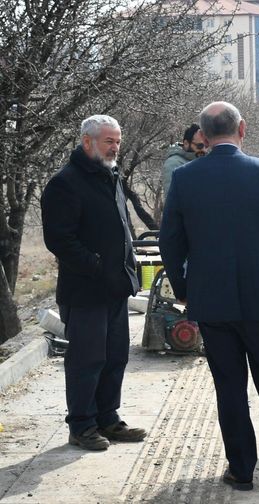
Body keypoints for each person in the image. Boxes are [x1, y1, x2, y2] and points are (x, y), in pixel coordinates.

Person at [159, 102, 259, 491]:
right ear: (242, 129)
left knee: (229, 386)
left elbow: (171, 244)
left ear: (204, 135)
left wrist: (186, 292)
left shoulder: (185, 178)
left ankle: (241, 469)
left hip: (212, 304)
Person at [41, 115, 146, 451]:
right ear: (87, 142)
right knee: (87, 359)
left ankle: (108, 418)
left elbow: (121, 228)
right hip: (86, 290)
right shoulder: (65, 182)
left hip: (115, 287)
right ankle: (82, 425)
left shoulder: (110, 175)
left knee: (116, 355)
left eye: (117, 141)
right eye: (108, 141)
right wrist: (97, 266)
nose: (115, 147)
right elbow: (59, 239)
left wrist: (127, 267)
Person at [162, 123, 205, 199]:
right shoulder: (173, 163)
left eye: (207, 145)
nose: (204, 150)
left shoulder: (204, 161)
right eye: (200, 146)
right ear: (186, 143)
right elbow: (171, 199)